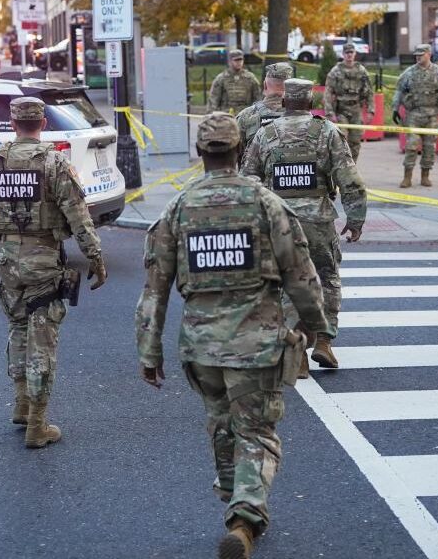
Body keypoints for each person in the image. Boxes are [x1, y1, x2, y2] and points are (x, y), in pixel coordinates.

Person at [136, 112, 327, 559]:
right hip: (256, 344)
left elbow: (154, 288)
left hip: (201, 348)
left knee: (222, 424)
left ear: (200, 154)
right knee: (257, 432)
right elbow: (299, 272)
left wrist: (149, 351)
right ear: (240, 151)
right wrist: (317, 326)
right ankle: (245, 514)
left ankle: (233, 492)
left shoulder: (178, 208)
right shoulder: (265, 203)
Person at [0, 96, 108, 448]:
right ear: (42, 123)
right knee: (42, 337)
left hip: (7, 259)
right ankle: (37, 425)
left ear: (13, 123)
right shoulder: (55, 164)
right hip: (43, 258)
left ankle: (22, 404)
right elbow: (78, 216)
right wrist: (95, 257)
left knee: (18, 327)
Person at [241, 78, 366, 375]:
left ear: (285, 102)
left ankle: (296, 345)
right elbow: (349, 179)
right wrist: (355, 217)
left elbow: (248, 179)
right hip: (318, 222)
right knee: (328, 278)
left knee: (286, 283)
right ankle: (324, 340)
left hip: (279, 222)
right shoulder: (326, 132)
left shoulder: (264, 134)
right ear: (311, 103)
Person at [391, 44, 438, 188]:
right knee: (411, 145)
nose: (418, 57)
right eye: (416, 55)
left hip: (432, 115)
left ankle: (425, 176)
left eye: (421, 54)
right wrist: (395, 108)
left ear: (429, 54)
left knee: (429, 147)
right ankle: (407, 177)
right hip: (413, 114)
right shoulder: (409, 73)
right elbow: (399, 91)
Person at [324, 42, 374, 161]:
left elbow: (369, 92)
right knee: (341, 141)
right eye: (347, 53)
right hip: (341, 110)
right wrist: (330, 112)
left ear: (355, 54)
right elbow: (328, 92)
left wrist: (371, 110)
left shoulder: (361, 70)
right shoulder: (336, 71)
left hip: (356, 110)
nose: (349, 55)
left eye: (351, 52)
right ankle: (341, 169)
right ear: (343, 54)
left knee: (355, 142)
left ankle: (352, 169)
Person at [234, 62, 291, 159]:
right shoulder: (302, 115)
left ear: (265, 85)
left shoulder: (245, 117)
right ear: (291, 87)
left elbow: (234, 154)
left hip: (253, 174)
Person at [209, 49, 262, 114]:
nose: (239, 62)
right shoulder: (221, 78)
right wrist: (212, 115)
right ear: (230, 61)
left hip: (246, 114)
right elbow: (213, 99)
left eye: (241, 60)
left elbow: (258, 97)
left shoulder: (250, 78)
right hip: (226, 115)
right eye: (236, 60)